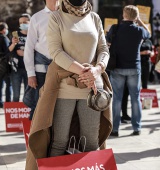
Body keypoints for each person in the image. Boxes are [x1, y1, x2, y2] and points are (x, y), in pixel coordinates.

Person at [25, 0, 112, 169]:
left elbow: (103, 48)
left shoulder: (94, 17)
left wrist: (96, 70)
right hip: (63, 87)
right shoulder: (56, 17)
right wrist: (83, 72)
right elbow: (56, 52)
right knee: (59, 142)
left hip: (92, 88)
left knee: (91, 141)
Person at [107, 5, 151, 136]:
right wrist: (140, 21)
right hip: (134, 67)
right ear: (135, 17)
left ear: (124, 15)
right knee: (135, 98)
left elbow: (107, 41)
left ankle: (115, 129)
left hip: (118, 68)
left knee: (117, 99)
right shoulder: (139, 30)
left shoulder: (115, 29)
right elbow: (148, 33)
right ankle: (137, 127)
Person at [24, 0, 56, 120]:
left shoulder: (66, 16)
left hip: (60, 68)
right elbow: (29, 46)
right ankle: (35, 136)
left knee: (58, 106)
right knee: (38, 106)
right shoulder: (37, 18)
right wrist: (30, 74)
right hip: (40, 70)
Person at [10, 14, 31, 102]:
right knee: (16, 95)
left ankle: (27, 114)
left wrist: (25, 53)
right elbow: (9, 50)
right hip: (16, 68)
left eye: (25, 22)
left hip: (29, 69)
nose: (22, 24)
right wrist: (13, 44)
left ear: (30, 22)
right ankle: (16, 114)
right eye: (21, 22)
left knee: (28, 94)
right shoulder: (16, 35)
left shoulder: (33, 35)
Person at [0, 22, 12, 110]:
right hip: (4, 65)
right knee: (9, 84)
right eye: (6, 29)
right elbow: (8, 51)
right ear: (4, 30)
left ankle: (0, 104)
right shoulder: (4, 38)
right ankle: (8, 103)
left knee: (0, 85)